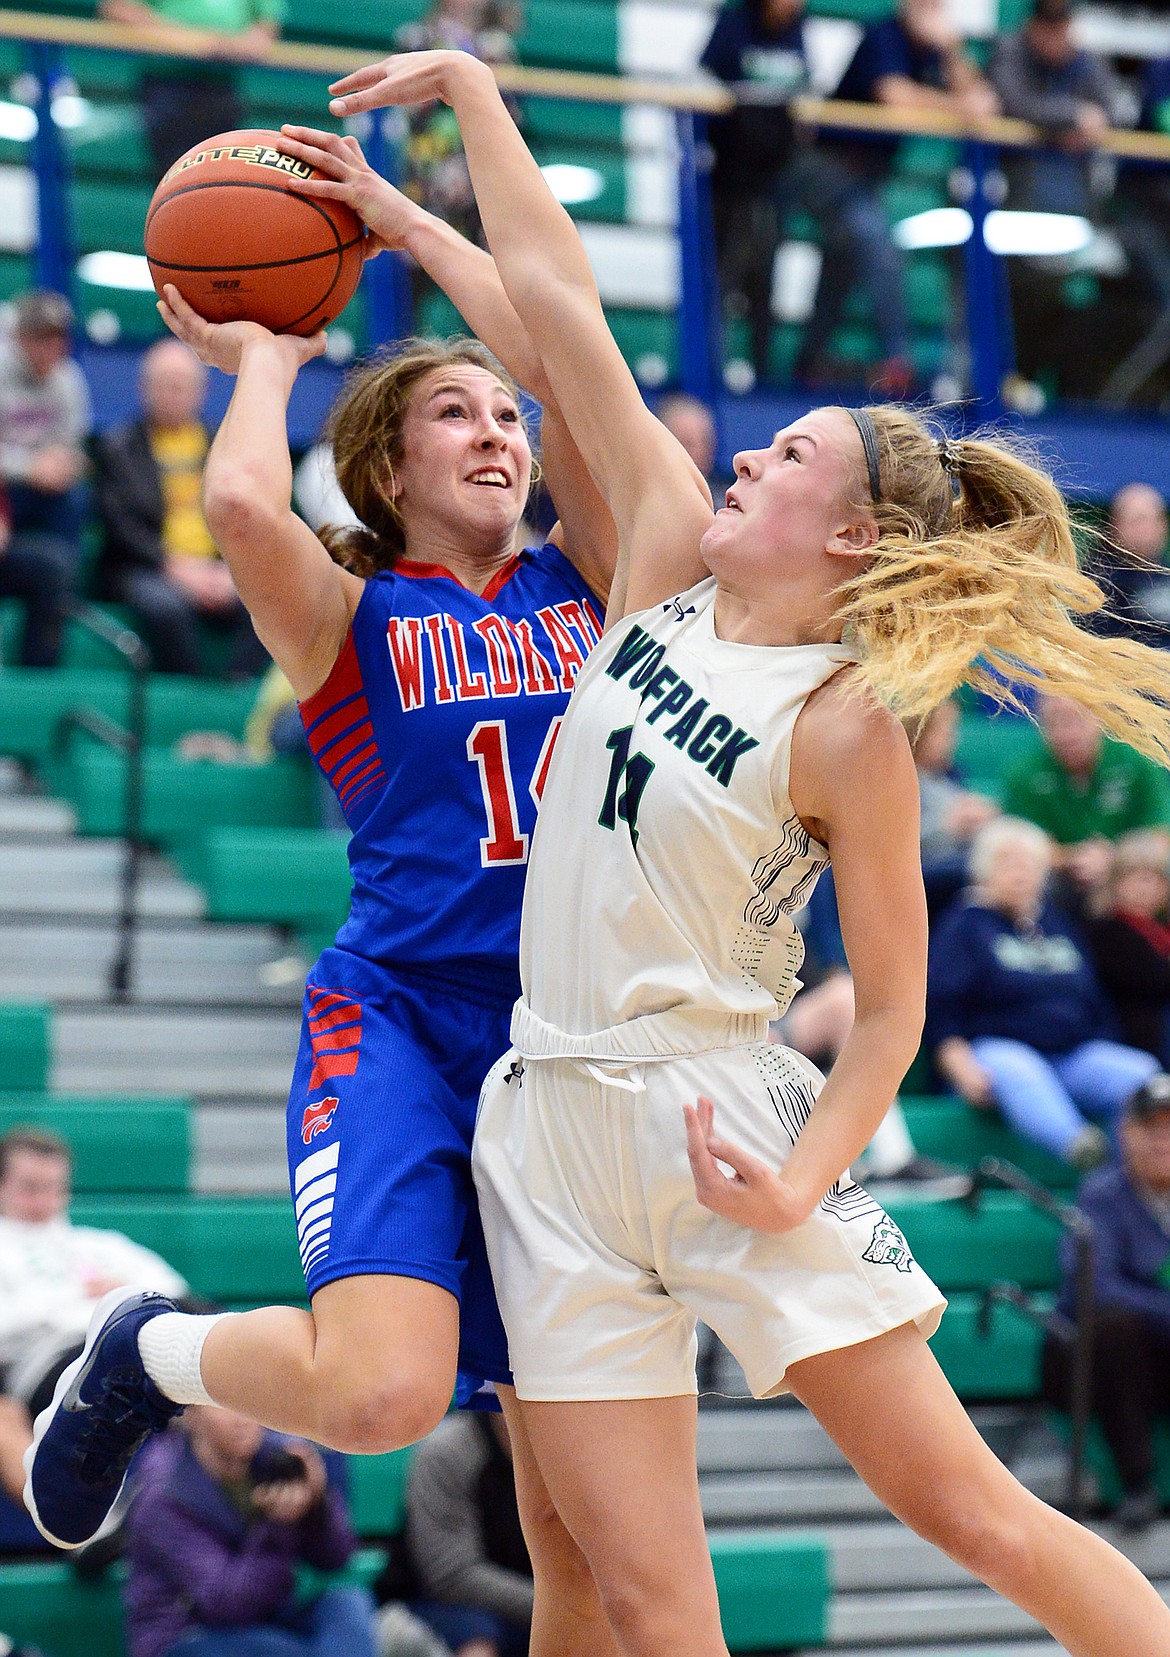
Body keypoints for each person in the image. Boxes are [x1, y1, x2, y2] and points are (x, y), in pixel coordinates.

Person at [317, 48, 1170, 1657]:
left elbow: (895, 1010)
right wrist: (453, 143)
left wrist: (795, 1172)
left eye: (785, 462)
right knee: (616, 1587)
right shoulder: (652, 562)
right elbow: (559, 317)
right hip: (547, 1107)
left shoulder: (847, 719)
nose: (745, 458)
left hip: (717, 1109)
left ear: (846, 535)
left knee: (968, 1509)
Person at [24, 134, 630, 1657]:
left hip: (570, 1050)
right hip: (407, 1022)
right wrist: (270, 354)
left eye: (507, 416)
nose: (497, 429)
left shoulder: (597, 574)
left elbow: (562, 349)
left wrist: (412, 224)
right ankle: (151, 1353)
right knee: (378, 1394)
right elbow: (238, 511)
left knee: (573, 1521)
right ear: (387, 467)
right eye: (454, 414)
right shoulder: (357, 615)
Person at [928, 816, 1159, 1169]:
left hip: (1071, 1052)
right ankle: (1083, 1149)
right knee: (1023, 1071)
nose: (1021, 872)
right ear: (983, 870)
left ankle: (1141, 1181)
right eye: (1008, 862)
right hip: (997, 1048)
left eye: (1030, 863)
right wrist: (955, 1062)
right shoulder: (965, 925)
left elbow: (1091, 997)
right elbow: (940, 1002)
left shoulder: (1058, 924)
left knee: (1140, 1073)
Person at [0, 1128, 189, 1507]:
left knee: (200, 1334)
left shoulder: (97, 1243)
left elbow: (178, 1291)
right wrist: (71, 1297)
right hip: (48, 1364)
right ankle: (83, 1524)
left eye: (54, 1187)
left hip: (130, 1343)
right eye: (29, 1187)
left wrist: (122, 1292)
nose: (44, 1200)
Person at [822, 0, 999, 396]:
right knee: (874, 245)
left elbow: (985, 104)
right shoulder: (882, 34)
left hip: (866, 178)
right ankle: (897, 366)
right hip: (824, 167)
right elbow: (894, 96)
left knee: (841, 259)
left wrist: (952, 49)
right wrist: (960, 107)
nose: (931, 7)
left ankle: (811, 358)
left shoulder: (935, 48)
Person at [124, 1405, 376, 1657]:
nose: (242, 1419)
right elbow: (228, 1604)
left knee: (347, 1604)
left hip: (268, 1621)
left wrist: (316, 1503)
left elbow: (336, 1558)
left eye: (247, 1402)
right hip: (187, 1637)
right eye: (224, 1405)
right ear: (192, 1414)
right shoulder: (163, 1494)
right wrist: (278, 1526)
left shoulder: (277, 1460)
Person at [1042, 1072, 1170, 1530]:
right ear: (1126, 1133)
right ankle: (1137, 1485)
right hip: (1098, 1360)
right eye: (1152, 1127)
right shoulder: (1101, 1196)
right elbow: (1093, 1289)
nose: (1163, 1140)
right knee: (1113, 1326)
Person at [95, 338, 267, 677]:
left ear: (200, 391)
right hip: (146, 567)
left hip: (217, 567)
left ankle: (234, 690)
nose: (173, 395)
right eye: (165, 386)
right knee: (166, 608)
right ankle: (189, 694)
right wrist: (174, 568)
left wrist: (230, 569)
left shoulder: (223, 445)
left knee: (268, 598)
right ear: (145, 389)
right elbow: (120, 527)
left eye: (181, 386)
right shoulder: (118, 448)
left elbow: (246, 513)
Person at [379, 1412, 532, 1657]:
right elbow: (452, 1576)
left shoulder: (575, 1454)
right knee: (478, 1643)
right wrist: (557, 1605)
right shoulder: (448, 1451)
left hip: (533, 1602)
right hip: (430, 1602)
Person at [1002, 693, 1170, 903]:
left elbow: (1159, 834)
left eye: (1077, 719)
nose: (1067, 734)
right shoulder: (1025, 774)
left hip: (1129, 873)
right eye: (1055, 722)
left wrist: (1113, 858)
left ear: (1100, 718)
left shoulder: (1138, 761)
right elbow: (1018, 843)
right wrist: (1073, 858)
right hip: (1058, 882)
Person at [0, 289, 90, 667]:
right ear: (21, 338)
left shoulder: (68, 379)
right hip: (10, 486)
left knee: (76, 497)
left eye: (58, 338)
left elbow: (75, 446)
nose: (52, 348)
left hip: (42, 490)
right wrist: (27, 467)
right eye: (42, 338)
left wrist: (63, 464)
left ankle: (62, 592)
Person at [97, 0, 282, 179]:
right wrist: (190, 42)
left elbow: (265, 24)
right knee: (171, 176)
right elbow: (119, 8)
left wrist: (239, 46)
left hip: (222, 87)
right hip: (167, 83)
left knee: (221, 176)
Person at [1087, 829, 1170, 1064]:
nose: (1148, 888)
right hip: (1134, 1032)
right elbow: (1157, 979)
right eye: (1138, 877)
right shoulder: (1106, 930)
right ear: (1116, 881)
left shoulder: (1160, 930)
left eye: (1156, 879)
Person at [1088, 482, 1170, 651]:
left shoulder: (1165, 576)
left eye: (1156, 519)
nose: (1148, 529)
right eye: (1138, 520)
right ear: (1114, 526)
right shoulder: (1097, 582)